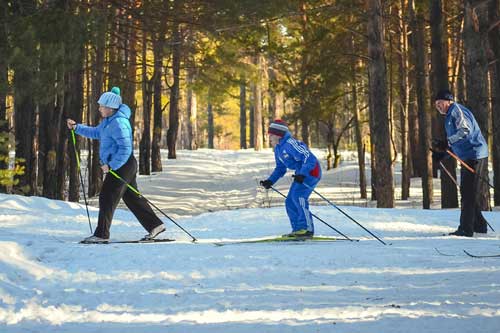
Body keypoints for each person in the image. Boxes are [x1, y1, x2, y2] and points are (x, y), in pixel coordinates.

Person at [67, 87, 165, 243]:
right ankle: (155, 225)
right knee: (132, 198)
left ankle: (101, 234)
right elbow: (95, 132)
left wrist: (111, 165)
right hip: (123, 164)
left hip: (122, 165)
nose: (99, 108)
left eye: (102, 106)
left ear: (110, 108)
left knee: (107, 196)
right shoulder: (108, 122)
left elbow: (126, 148)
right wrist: (77, 128)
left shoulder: (119, 123)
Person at [433, 89, 489, 237]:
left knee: (468, 193)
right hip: (467, 156)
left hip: (474, 154)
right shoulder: (449, 116)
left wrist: (447, 142)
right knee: (467, 191)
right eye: (436, 104)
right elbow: (455, 141)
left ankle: (466, 228)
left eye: (440, 103)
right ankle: (479, 225)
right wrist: (442, 154)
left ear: (449, 101)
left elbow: (465, 131)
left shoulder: (456, 111)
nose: (438, 106)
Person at [260, 119, 322, 238]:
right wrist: (270, 181)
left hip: (311, 171)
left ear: (278, 134)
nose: (269, 138)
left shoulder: (290, 144)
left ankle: (307, 229)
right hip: (301, 173)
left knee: (298, 197)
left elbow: (308, 157)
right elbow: (280, 168)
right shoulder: (278, 149)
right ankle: (298, 230)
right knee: (289, 201)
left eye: (271, 135)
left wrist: (303, 174)